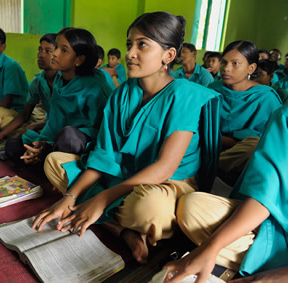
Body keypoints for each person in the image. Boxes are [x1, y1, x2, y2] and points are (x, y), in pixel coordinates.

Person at [32, 11, 221, 265]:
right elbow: (104, 155)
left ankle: (105, 214)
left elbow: (165, 167)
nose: (130, 53)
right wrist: (70, 196)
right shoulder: (122, 93)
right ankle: (123, 231)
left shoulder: (185, 95)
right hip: (120, 174)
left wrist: (102, 198)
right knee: (54, 161)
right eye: (129, 44)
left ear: (169, 55)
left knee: (151, 209)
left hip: (166, 183)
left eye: (142, 45)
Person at [164, 104, 288, 283]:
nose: (225, 73)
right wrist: (211, 247)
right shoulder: (285, 115)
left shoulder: (264, 97)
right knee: (193, 208)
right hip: (277, 230)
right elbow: (265, 195)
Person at [5, 27, 112, 169]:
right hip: (57, 140)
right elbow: (54, 122)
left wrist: (51, 146)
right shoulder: (60, 78)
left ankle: (54, 164)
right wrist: (43, 144)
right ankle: (47, 161)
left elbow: (102, 131)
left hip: (85, 145)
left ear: (79, 60)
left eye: (64, 50)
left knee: (68, 137)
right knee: (12, 147)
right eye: (56, 47)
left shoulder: (95, 86)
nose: (54, 53)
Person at [210, 41, 282, 185]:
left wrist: (226, 140)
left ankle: (209, 167)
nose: (227, 69)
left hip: (243, 157)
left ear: (251, 68)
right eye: (224, 63)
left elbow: (269, 140)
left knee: (254, 146)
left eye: (235, 63)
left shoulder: (266, 98)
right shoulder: (212, 89)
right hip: (211, 146)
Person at [0, 33, 58, 141]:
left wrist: (36, 126)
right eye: (39, 50)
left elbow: (66, 118)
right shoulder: (38, 81)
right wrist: (1, 135)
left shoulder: (65, 80)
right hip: (49, 125)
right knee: (15, 144)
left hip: (65, 128)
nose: (41, 55)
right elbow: (25, 115)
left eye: (48, 51)